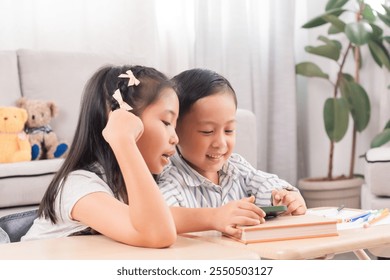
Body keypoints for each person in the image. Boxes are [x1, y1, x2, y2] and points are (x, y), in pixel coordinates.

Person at [22, 65, 178, 248]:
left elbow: (166, 217)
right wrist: (123, 140)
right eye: (167, 122)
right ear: (121, 118)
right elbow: (157, 234)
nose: (176, 138)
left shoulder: (124, 185)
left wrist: (213, 217)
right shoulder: (79, 186)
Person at [157, 68, 306, 238]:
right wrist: (214, 217)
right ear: (175, 131)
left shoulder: (236, 167)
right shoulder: (170, 176)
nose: (220, 143)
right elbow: (161, 216)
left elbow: (263, 184)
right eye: (207, 131)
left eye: (229, 130)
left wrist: (285, 197)